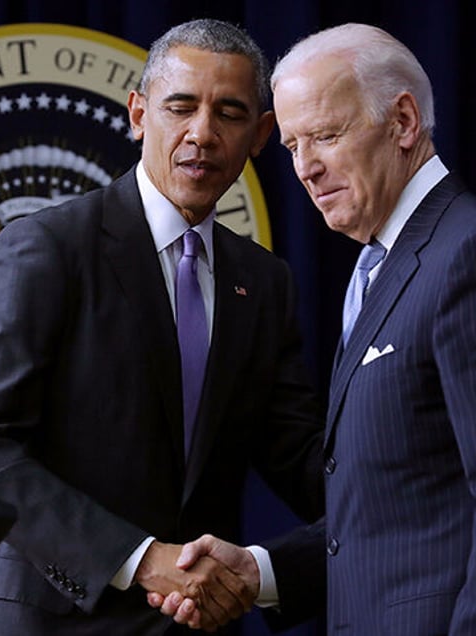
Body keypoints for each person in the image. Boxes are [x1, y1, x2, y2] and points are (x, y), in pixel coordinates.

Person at [0, 18, 324, 635]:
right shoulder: (48, 247)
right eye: (180, 107)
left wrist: (406, 496)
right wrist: (142, 561)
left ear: (260, 135)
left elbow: (302, 458)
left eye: (228, 113)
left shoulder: (264, 283)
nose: (202, 132)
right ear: (139, 113)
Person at [162, 22, 476, 634]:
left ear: (404, 123)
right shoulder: (380, 265)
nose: (305, 168)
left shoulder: (462, 255)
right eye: (292, 146)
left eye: (326, 136)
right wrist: (261, 572)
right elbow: (397, 509)